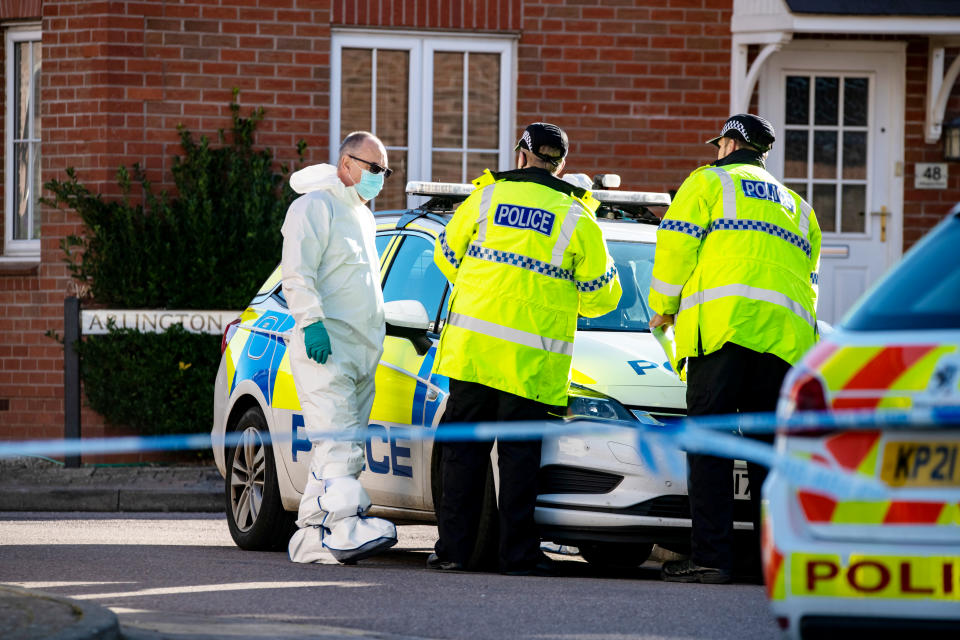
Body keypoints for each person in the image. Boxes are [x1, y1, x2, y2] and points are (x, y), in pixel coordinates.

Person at [428, 122, 622, 575]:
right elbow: (601, 297)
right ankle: (517, 555)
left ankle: (455, 551)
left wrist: (485, 287)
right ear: (562, 164)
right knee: (519, 462)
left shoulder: (485, 197)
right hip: (531, 361)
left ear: (521, 154)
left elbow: (446, 256)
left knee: (462, 456)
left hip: (473, 352)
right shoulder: (576, 216)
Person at [648, 114, 821, 584]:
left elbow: (675, 248)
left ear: (728, 143)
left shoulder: (707, 183)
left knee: (710, 447)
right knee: (770, 453)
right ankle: (772, 562)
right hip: (784, 345)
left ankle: (712, 558)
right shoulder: (799, 207)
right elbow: (809, 283)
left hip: (722, 334)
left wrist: (663, 308)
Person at [283, 131, 398, 565]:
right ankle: (346, 524)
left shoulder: (363, 217)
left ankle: (312, 534)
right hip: (326, 347)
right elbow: (298, 272)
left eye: (385, 170)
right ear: (346, 164)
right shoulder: (314, 207)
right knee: (339, 441)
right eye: (374, 168)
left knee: (335, 443)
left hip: (360, 352)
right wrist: (311, 323)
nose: (380, 178)